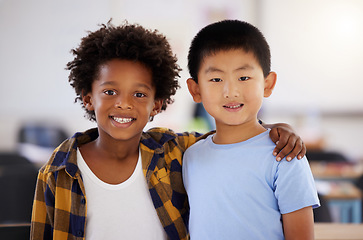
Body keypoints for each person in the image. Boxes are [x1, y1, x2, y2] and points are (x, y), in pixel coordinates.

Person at [30, 20, 307, 240]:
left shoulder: (172, 152)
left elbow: (233, 138)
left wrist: (276, 129)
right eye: (110, 91)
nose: (124, 104)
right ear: (89, 97)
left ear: (157, 104)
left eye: (139, 95)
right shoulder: (58, 172)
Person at [183, 20, 320, 240]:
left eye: (244, 77)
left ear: (267, 84)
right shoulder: (191, 157)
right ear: (196, 90)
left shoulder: (285, 155)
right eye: (216, 79)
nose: (231, 91)